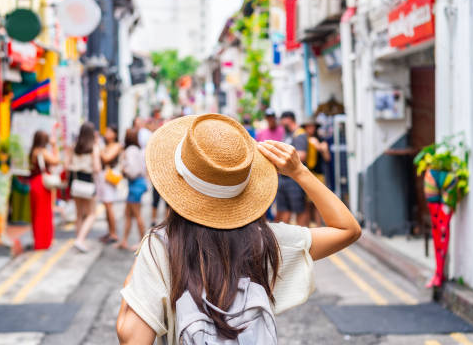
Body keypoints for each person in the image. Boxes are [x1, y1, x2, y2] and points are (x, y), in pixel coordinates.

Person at [116, 114, 361, 344]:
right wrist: (300, 172)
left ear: (176, 184)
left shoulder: (161, 246)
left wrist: (140, 267)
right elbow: (347, 229)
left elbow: (132, 336)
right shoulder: (267, 242)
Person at [68, 122, 101, 252]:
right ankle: (80, 240)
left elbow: (67, 164)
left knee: (79, 214)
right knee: (91, 214)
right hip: (88, 181)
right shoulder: (93, 147)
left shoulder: (74, 147)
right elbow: (97, 168)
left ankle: (79, 240)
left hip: (75, 181)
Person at [29, 129, 60, 250]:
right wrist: (54, 145)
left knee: (37, 213)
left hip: (35, 183)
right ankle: (44, 242)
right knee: (44, 214)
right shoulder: (42, 151)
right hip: (42, 184)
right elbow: (56, 161)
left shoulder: (33, 151)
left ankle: (39, 240)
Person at [118, 128, 148, 250]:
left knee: (136, 214)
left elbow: (132, 170)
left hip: (135, 183)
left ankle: (143, 243)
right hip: (137, 183)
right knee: (128, 214)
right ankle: (124, 240)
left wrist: (124, 170)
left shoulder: (130, 150)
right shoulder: (137, 150)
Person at [277, 111, 309, 226]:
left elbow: (302, 155)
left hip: (294, 179)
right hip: (284, 178)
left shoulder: (299, 134)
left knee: (299, 209)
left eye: (282, 120)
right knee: (284, 209)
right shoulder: (287, 134)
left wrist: (280, 156)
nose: (280, 123)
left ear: (288, 119)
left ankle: (304, 238)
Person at [302, 117, 331, 226]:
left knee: (318, 202)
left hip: (318, 174)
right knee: (306, 203)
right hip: (306, 174)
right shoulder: (302, 140)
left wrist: (320, 147)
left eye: (312, 126)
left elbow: (327, 158)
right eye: (308, 127)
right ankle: (308, 226)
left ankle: (319, 226)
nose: (310, 129)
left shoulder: (321, 140)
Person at [97, 125, 123, 244]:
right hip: (103, 177)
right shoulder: (106, 145)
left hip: (109, 178)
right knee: (106, 206)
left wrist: (99, 148)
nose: (106, 133)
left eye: (109, 131)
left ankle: (114, 234)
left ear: (114, 134)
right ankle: (110, 231)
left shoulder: (117, 146)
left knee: (109, 206)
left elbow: (107, 158)